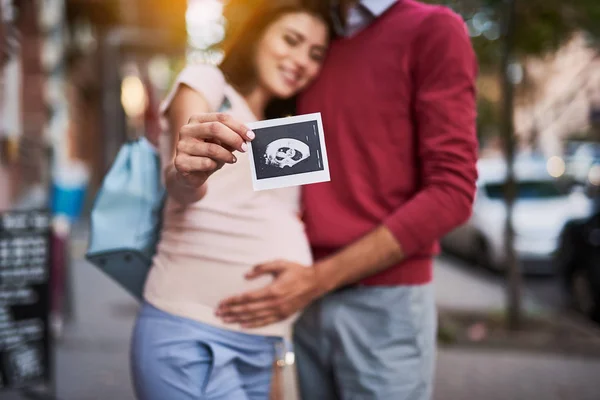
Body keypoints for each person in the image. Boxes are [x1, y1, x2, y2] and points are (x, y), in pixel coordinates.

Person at [215, 0, 479, 399]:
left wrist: (315, 281)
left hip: (382, 303)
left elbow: (453, 192)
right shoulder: (312, 45)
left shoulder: (433, 29)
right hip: (298, 298)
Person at [129, 1, 329, 399]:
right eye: (291, 40)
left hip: (266, 347)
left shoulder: (290, 130)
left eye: (315, 54)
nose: (301, 60)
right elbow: (182, 179)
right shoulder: (208, 83)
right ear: (257, 35)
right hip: (191, 333)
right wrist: (189, 170)